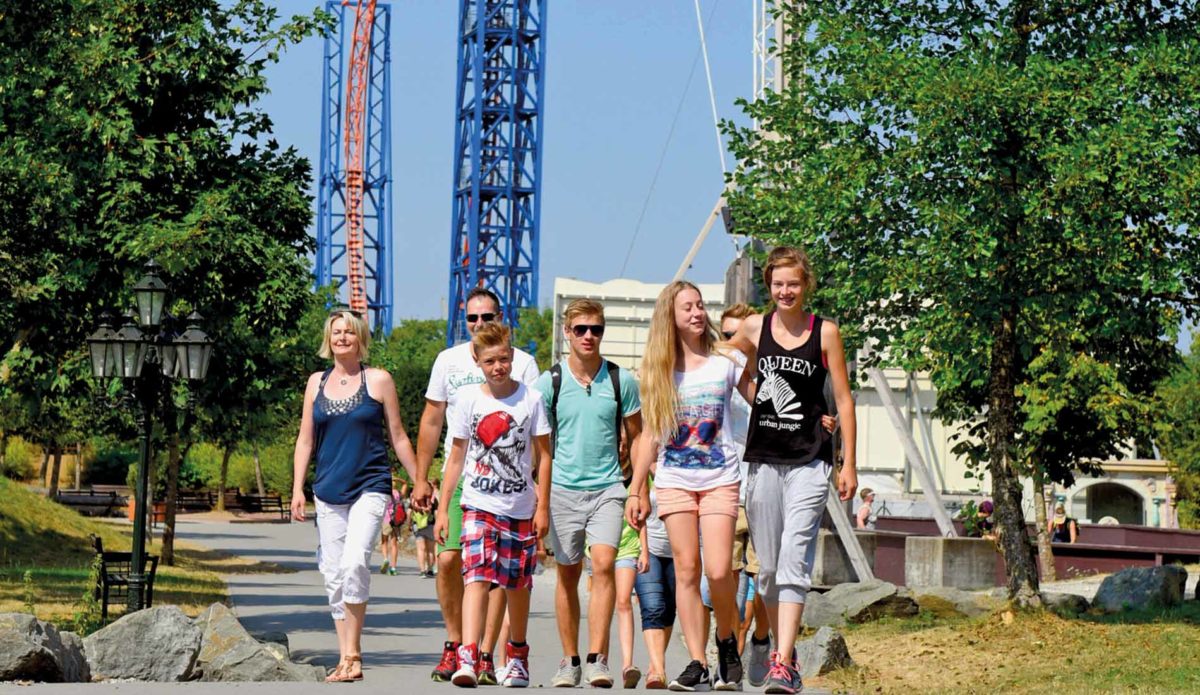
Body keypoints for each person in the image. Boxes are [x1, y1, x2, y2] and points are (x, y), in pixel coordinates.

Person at [727, 246, 858, 695]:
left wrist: (848, 463)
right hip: (764, 458)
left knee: (794, 559)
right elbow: (725, 367)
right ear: (769, 285)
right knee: (765, 571)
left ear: (806, 286)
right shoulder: (753, 327)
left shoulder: (824, 333)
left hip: (810, 459)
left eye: (794, 284)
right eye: (778, 284)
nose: (786, 291)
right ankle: (786, 647)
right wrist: (756, 397)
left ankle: (782, 662)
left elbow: (843, 398)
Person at [625, 281, 752, 691]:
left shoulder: (726, 360)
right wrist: (637, 489)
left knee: (718, 570)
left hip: (720, 478)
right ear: (671, 317)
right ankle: (697, 661)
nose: (697, 313)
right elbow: (648, 436)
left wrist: (812, 418)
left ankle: (727, 641)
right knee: (686, 570)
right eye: (688, 308)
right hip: (675, 480)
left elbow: (764, 400)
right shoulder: (658, 371)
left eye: (700, 306)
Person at [411, 288, 540, 684]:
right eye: (472, 319)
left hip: (510, 487)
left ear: (500, 317)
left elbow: (535, 431)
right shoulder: (448, 361)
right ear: (464, 322)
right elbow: (433, 421)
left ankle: (484, 652)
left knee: (498, 571)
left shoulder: (523, 363)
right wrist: (420, 478)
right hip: (465, 477)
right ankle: (458, 645)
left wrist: (536, 492)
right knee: (450, 561)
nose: (480, 324)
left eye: (487, 317)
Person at [290, 309, 420, 683]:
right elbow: (305, 439)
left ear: (360, 337)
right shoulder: (316, 382)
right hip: (328, 490)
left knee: (354, 563)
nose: (342, 337)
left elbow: (397, 436)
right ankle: (344, 655)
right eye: (336, 332)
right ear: (328, 339)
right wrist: (298, 488)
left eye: (349, 332)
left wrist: (420, 482)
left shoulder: (378, 380)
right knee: (332, 572)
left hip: (370, 485)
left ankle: (355, 652)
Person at [433, 322, 551, 688]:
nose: (498, 367)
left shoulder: (530, 399)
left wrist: (542, 506)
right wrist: (442, 508)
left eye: (503, 359)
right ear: (479, 363)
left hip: (518, 505)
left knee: (517, 583)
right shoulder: (469, 399)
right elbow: (456, 457)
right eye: (489, 361)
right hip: (477, 503)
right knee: (477, 576)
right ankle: (469, 653)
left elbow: (544, 456)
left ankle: (516, 654)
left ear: (512, 357)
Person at [536, 299, 642, 688]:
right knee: (566, 574)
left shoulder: (620, 379)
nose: (588, 336)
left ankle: (598, 659)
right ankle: (570, 660)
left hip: (608, 488)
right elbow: (539, 445)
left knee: (602, 567)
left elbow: (639, 434)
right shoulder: (549, 382)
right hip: (562, 488)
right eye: (580, 329)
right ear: (567, 332)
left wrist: (638, 489)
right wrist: (540, 499)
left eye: (595, 329)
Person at [633, 474, 675, 690]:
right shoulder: (642, 473)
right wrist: (643, 550)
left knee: (669, 609)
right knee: (653, 606)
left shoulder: (682, 463)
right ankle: (658, 670)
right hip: (648, 549)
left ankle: (655, 664)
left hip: (678, 551)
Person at [380, 479, 409, 575]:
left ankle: (385, 559)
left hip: (386, 519)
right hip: (396, 521)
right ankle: (393, 567)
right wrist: (396, 478)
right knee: (394, 544)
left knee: (384, 541)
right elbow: (405, 483)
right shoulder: (399, 494)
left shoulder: (384, 493)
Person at [411, 484, 437, 578]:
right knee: (430, 550)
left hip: (418, 525)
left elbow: (410, 511)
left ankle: (422, 571)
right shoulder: (433, 500)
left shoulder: (415, 498)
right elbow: (436, 513)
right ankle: (430, 570)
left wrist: (409, 523)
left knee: (420, 549)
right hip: (430, 525)